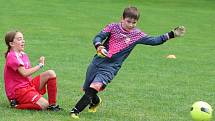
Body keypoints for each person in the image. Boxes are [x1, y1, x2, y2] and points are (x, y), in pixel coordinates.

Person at [70, 6, 185, 119]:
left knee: (95, 86)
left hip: (111, 67)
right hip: (97, 62)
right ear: (122, 18)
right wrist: (99, 46)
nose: (131, 25)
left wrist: (171, 34)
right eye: (128, 21)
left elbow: (154, 40)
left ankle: (75, 111)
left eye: (134, 23)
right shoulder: (112, 27)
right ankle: (96, 101)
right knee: (87, 89)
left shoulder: (137, 35)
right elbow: (98, 37)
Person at [3, 30, 61, 111]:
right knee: (44, 105)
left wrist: (32, 89)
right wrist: (40, 65)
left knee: (50, 73)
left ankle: (52, 105)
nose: (23, 41)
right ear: (11, 44)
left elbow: (27, 76)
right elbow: (24, 73)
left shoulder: (23, 54)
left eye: (23, 39)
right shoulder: (12, 56)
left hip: (27, 86)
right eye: (19, 39)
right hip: (18, 91)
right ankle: (16, 105)